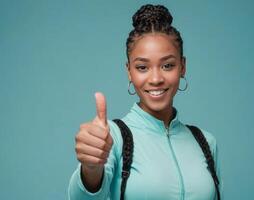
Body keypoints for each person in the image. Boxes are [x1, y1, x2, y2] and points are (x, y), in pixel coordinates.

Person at [68, 4, 223, 200]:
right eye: (142, 67)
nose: (156, 78)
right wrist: (90, 167)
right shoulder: (113, 137)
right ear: (129, 72)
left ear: (182, 67)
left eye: (168, 65)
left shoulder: (206, 143)